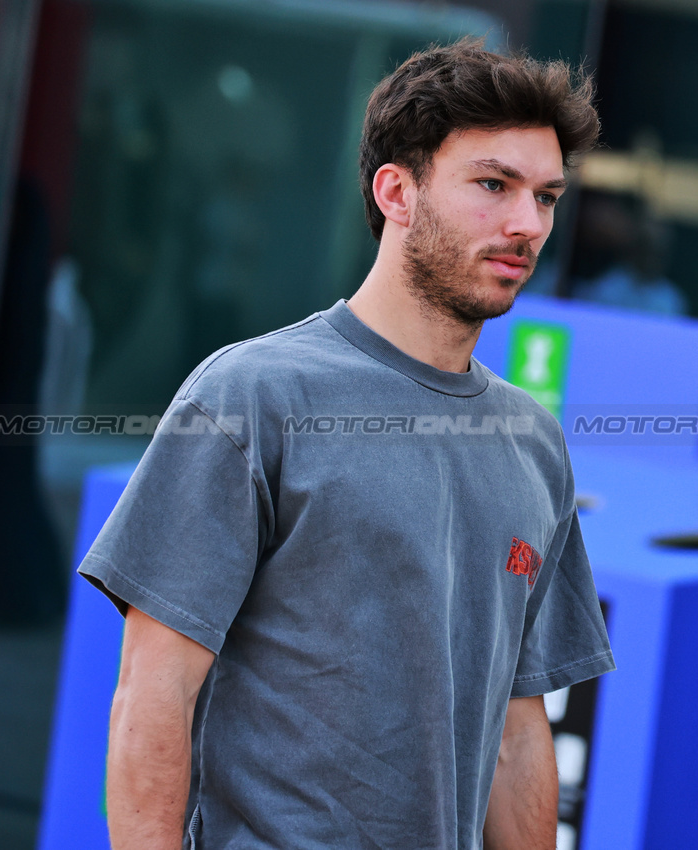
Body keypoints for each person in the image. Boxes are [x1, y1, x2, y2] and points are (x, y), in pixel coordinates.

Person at [78, 39, 615, 850]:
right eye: (493, 185)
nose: (525, 225)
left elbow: (516, 737)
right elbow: (152, 695)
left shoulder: (532, 443)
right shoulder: (253, 394)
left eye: (545, 197)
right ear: (396, 192)